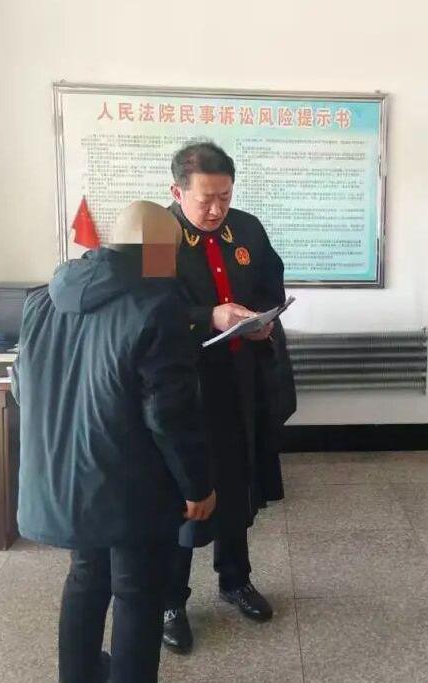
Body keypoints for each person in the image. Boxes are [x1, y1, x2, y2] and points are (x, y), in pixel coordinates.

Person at [14, 200, 215, 683]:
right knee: (137, 590)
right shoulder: (157, 306)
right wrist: (197, 485)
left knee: (86, 575)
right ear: (160, 251)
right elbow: (169, 414)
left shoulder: (43, 299)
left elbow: (21, 387)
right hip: (128, 480)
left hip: (64, 474)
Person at [162, 141, 296, 653]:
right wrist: (208, 317)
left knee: (237, 482)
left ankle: (235, 579)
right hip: (184, 388)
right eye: (205, 199)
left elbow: (269, 284)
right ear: (177, 192)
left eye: (225, 196)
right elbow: (149, 311)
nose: (217, 210)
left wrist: (262, 320)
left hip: (241, 380)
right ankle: (170, 600)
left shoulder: (249, 228)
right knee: (185, 491)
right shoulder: (159, 238)